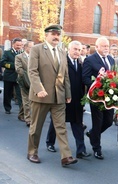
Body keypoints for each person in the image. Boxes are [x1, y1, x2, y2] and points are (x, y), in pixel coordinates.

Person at [27, 24, 77, 166]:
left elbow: (65, 75)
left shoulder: (62, 51)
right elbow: (32, 71)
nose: (56, 37)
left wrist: (68, 93)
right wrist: (39, 88)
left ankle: (66, 156)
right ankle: (32, 152)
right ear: (46, 36)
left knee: (61, 127)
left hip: (58, 97)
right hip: (41, 96)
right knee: (36, 127)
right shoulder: (37, 49)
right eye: (53, 34)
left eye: (58, 34)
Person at [45, 40, 91, 158]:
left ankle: (81, 150)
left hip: (77, 100)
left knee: (78, 124)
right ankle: (50, 142)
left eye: (79, 50)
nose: (77, 52)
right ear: (69, 49)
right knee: (57, 123)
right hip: (63, 99)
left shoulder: (81, 63)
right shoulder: (62, 62)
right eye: (75, 49)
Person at [82, 36, 115, 160]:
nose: (106, 48)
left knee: (109, 121)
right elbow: (85, 78)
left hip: (109, 97)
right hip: (96, 97)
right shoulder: (90, 60)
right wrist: (97, 88)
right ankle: (97, 148)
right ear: (97, 47)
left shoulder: (111, 59)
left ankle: (92, 135)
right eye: (103, 46)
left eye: (107, 46)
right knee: (98, 122)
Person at [0, 38, 24, 120]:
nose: (19, 47)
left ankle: (22, 110)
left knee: (20, 94)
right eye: (17, 45)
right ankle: (7, 108)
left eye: (20, 45)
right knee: (7, 93)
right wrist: (14, 66)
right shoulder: (7, 52)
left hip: (19, 77)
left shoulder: (22, 53)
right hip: (9, 76)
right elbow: (2, 62)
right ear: (13, 44)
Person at [15, 40, 34, 127]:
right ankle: (28, 119)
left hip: (34, 82)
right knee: (27, 100)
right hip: (24, 81)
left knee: (27, 100)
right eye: (31, 47)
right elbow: (19, 69)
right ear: (26, 47)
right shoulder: (19, 57)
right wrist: (27, 77)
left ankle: (21, 114)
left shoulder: (35, 57)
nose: (33, 49)